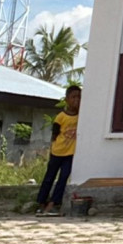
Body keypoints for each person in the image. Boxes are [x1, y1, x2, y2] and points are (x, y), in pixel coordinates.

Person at [36, 84, 81, 217]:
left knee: (63, 177)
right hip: (57, 152)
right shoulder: (60, 117)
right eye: (73, 97)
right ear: (66, 99)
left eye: (79, 97)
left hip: (70, 154)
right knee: (49, 177)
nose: (76, 100)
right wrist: (51, 149)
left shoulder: (82, 117)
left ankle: (54, 203)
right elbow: (54, 135)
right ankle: (41, 202)